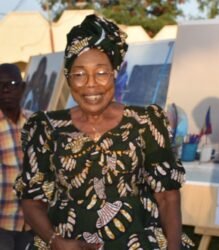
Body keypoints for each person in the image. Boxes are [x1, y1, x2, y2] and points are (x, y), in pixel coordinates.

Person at [14, 14, 193, 250]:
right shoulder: (45, 128)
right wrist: (56, 242)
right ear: (68, 78)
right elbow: (32, 200)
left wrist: (173, 247)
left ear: (114, 74)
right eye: (79, 74)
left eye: (101, 72)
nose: (90, 84)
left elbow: (167, 196)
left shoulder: (146, 122)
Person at [0, 63, 33, 250]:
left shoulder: (34, 123)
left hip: (31, 224)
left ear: (22, 88)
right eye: (0, 84)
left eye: (11, 83)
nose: (5, 89)